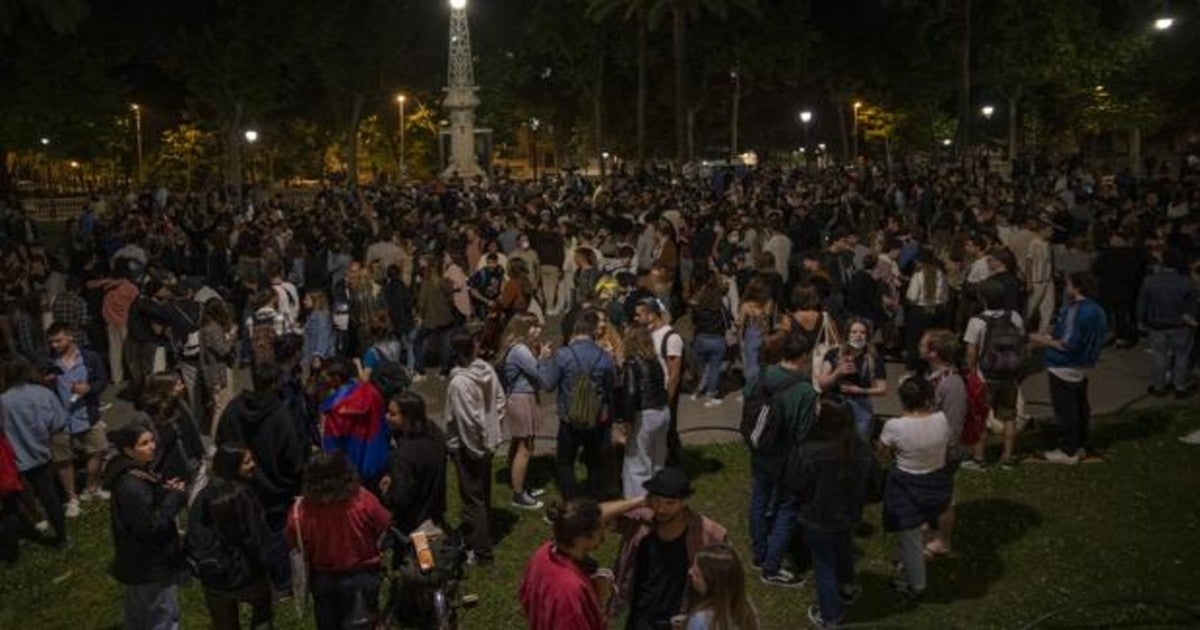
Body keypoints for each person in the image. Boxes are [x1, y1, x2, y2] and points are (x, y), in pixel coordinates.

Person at [217, 361, 307, 592]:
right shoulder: (281, 413)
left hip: (242, 486)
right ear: (275, 383)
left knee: (249, 532)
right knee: (277, 535)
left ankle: (256, 576)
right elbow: (294, 457)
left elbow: (221, 444)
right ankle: (282, 581)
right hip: (277, 489)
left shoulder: (233, 409)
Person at [286, 451, 392, 630]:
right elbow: (384, 524)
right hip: (362, 575)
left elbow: (293, 542)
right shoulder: (363, 500)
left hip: (323, 577)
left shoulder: (299, 512)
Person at [611, 467, 728, 629]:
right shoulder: (641, 525)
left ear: (683, 502)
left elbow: (724, 583)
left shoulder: (707, 534)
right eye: (656, 501)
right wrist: (639, 501)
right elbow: (592, 517)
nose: (661, 509)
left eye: (669, 503)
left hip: (678, 621)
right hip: (640, 619)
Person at [793, 399, 876, 628]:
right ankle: (847, 587)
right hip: (848, 513)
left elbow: (798, 485)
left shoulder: (810, 450)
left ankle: (831, 616)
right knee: (843, 547)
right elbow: (874, 483)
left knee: (824, 565)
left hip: (817, 516)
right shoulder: (862, 448)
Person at [744, 332, 816, 587]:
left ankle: (759, 553)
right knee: (787, 506)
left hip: (759, 449)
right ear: (804, 357)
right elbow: (804, 432)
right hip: (787, 457)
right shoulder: (805, 391)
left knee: (759, 498)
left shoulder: (760, 375)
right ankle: (772, 566)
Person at [103, 420, 189, 630]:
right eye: (144, 443)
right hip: (151, 565)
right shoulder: (131, 485)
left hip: (137, 564)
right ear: (128, 451)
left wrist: (164, 492)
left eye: (151, 440)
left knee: (139, 616)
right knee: (164, 617)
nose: (152, 446)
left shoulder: (131, 473)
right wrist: (175, 497)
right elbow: (150, 526)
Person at [519, 496, 642, 630]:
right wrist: (600, 600)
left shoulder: (542, 553)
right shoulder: (570, 590)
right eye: (602, 526)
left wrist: (589, 585)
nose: (605, 532)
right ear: (583, 538)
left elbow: (526, 596)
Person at [878, 377, 951, 600]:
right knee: (922, 526)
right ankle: (910, 563)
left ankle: (916, 584)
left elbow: (882, 452)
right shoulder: (941, 419)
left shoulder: (895, 426)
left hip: (907, 484)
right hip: (937, 480)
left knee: (909, 536)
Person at [187, 444, 273, 630]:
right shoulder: (243, 497)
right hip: (249, 577)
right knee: (262, 614)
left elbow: (194, 537)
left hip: (215, 578)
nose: (253, 465)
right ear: (232, 466)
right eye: (247, 462)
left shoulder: (203, 497)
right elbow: (256, 539)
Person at [538, 309, 618, 499]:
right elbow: (611, 385)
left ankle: (572, 499)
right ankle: (592, 499)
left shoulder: (563, 354)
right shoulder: (604, 356)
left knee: (565, 462)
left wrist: (543, 360)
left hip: (569, 417)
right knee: (594, 463)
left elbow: (548, 384)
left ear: (575, 330)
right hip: (597, 418)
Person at [1029, 272, 1108, 464]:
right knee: (1079, 408)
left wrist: (1039, 339)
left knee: (1066, 410)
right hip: (1082, 364)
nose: (1066, 289)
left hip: (1063, 364)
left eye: (1068, 285)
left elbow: (1067, 344)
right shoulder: (1097, 309)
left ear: (1077, 288)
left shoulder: (1076, 310)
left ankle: (1067, 450)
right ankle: (1079, 444)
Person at [445, 331, 505, 565]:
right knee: (482, 494)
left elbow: (468, 422)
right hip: (485, 443)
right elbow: (500, 401)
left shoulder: (460, 383)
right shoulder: (486, 370)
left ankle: (482, 551)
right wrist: (492, 430)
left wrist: (474, 449)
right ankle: (480, 532)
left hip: (469, 448)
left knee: (473, 500)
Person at [1, 356, 69, 547]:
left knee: (15, 502)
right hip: (41, 455)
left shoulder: (2, 401)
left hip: (13, 461)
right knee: (50, 498)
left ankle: (20, 538)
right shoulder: (43, 393)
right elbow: (59, 422)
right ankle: (62, 538)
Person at [46, 322, 110, 515]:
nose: (54, 345)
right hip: (60, 419)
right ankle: (72, 498)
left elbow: (102, 379)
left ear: (70, 336)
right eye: (52, 342)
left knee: (99, 449)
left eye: (58, 340)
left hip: (87, 413)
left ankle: (91, 488)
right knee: (64, 459)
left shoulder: (90, 357)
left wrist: (90, 388)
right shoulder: (49, 362)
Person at [963, 281, 1025, 468]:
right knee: (1009, 416)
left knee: (980, 416)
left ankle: (979, 458)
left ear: (983, 299)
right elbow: (1021, 342)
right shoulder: (1014, 317)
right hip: (1009, 376)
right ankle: (1007, 458)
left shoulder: (977, 321)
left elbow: (971, 351)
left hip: (985, 375)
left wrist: (971, 372)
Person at [920, 329, 969, 557]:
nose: (919, 346)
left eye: (923, 344)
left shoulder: (953, 385)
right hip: (930, 450)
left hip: (944, 454)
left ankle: (943, 540)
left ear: (933, 353)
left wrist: (941, 455)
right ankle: (929, 529)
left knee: (943, 498)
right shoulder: (933, 376)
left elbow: (954, 427)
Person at [497, 313, 546, 510]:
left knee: (519, 443)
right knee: (525, 448)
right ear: (522, 330)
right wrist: (543, 357)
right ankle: (519, 494)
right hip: (521, 398)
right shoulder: (520, 350)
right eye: (533, 327)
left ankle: (519, 484)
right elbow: (539, 373)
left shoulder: (519, 348)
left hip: (521, 397)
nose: (538, 331)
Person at [379, 392, 447, 534]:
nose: (387, 417)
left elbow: (400, 498)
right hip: (435, 507)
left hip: (414, 520)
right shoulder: (436, 434)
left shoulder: (405, 454)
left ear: (408, 417)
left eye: (392, 414)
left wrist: (386, 493)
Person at [617, 325, 669, 499]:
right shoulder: (655, 361)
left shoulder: (632, 363)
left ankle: (637, 505)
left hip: (644, 414)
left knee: (637, 463)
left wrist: (627, 421)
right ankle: (658, 496)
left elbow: (631, 393)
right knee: (657, 459)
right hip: (662, 411)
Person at [1137, 249, 1196, 397]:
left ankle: (1159, 386)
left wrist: (1140, 320)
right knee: (1182, 356)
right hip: (1180, 325)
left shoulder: (1150, 281)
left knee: (1159, 356)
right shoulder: (1186, 282)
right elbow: (1192, 306)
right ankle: (1180, 386)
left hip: (1157, 324)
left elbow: (1142, 303)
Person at [817, 318, 888, 441]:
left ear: (867, 336)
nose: (858, 336)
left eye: (862, 333)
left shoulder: (874, 358)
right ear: (847, 334)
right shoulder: (833, 354)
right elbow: (822, 383)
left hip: (861, 407)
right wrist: (837, 372)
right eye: (854, 332)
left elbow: (882, 389)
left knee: (859, 444)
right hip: (835, 404)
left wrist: (859, 390)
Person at [634, 297, 684, 467]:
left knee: (668, 433)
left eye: (640, 314)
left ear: (653, 315)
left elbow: (674, 373)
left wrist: (668, 401)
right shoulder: (648, 333)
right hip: (652, 394)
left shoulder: (671, 337)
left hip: (664, 394)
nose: (636, 318)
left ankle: (673, 468)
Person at [683, 543, 760, 630]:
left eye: (696, 573)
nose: (690, 572)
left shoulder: (700, 620)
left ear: (711, 584)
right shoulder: (748, 611)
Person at [687, 267, 729, 406]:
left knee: (703, 367)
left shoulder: (698, 307)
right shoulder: (720, 307)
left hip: (701, 338)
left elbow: (693, 322)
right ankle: (710, 395)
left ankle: (697, 390)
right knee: (714, 368)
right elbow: (727, 322)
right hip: (717, 339)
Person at [199, 298, 238, 439]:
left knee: (221, 404)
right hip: (218, 372)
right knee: (221, 406)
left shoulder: (206, 326)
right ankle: (215, 437)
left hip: (213, 371)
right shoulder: (213, 328)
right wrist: (232, 335)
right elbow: (223, 350)